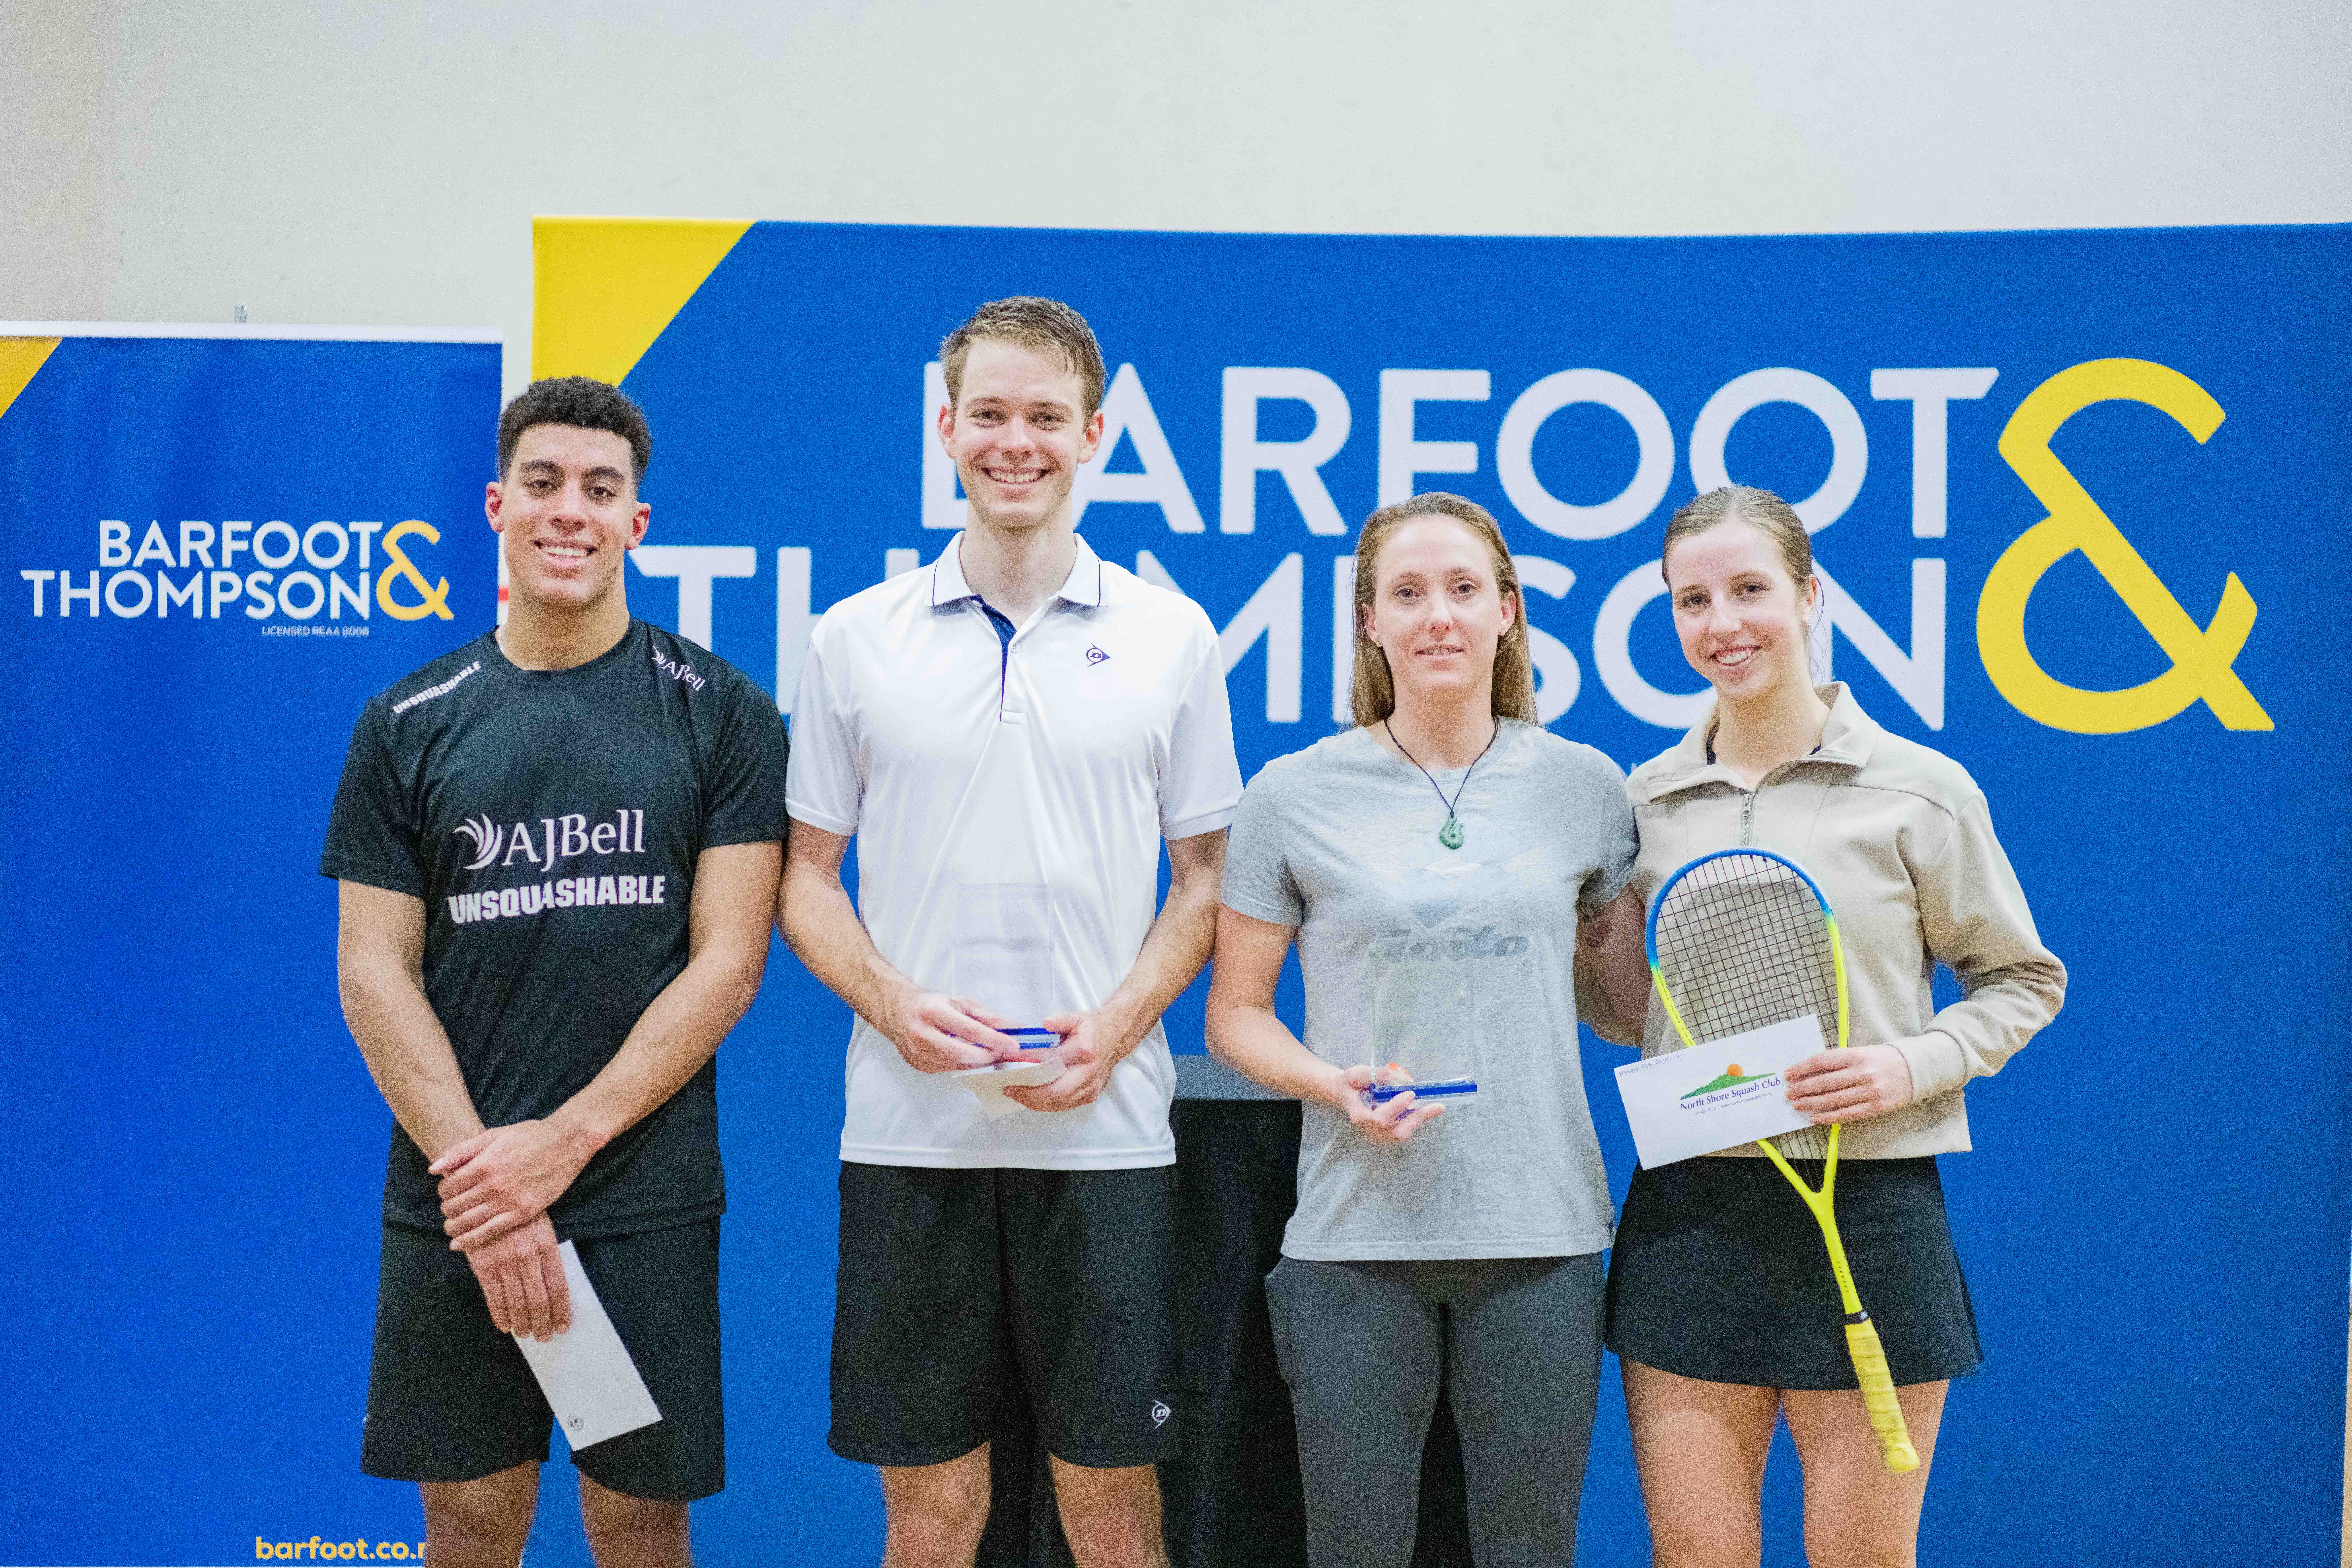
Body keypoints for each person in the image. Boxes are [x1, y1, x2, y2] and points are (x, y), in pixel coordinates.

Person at [779, 296, 1242, 1568]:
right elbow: (805, 879)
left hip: (1103, 1141)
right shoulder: (853, 638)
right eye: (990, 413)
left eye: (1047, 416)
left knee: (1112, 1513)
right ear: (945, 427)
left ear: (1096, 434)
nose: (1016, 442)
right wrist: (891, 1004)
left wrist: (1118, 1028)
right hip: (907, 1137)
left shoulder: (1172, 636)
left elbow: (1205, 876)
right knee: (931, 1520)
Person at [322, 377, 788, 1568]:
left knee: (640, 1523)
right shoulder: (406, 721)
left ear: (640, 522)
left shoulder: (723, 712)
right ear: (497, 505)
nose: (568, 510)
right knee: (471, 1521)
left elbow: (728, 962)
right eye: (543, 484)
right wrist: (489, 1187)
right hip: (457, 1190)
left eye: (600, 489)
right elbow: (374, 973)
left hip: (641, 1184)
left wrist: (563, 1145)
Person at [1593, 484, 2066, 1568]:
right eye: (1694, 599)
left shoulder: (1920, 790)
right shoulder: (1641, 802)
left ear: (1810, 596)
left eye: (1752, 589)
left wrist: (1912, 1063)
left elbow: (2023, 979)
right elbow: (1634, 1015)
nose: (1724, 624)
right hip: (1692, 1218)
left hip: (1871, 1211)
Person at [1203, 492, 1654, 1568]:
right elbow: (1235, 1014)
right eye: (1407, 593)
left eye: (1462, 589)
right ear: (1370, 621)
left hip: (1540, 1229)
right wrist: (1333, 1082)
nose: (1436, 615)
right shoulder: (1291, 793)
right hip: (1356, 1236)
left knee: (1528, 1551)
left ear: (1507, 612)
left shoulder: (1588, 788)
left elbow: (1634, 1007)